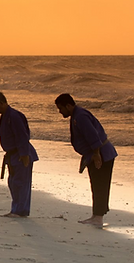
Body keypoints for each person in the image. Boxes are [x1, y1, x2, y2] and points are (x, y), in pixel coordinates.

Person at [54, 93, 118, 227]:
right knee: (96, 185)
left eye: (61, 108)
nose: (60, 111)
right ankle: (96, 215)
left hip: (102, 154)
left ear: (69, 106)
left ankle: (98, 218)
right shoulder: (76, 115)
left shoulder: (81, 116)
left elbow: (93, 135)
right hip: (96, 154)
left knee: (100, 185)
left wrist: (96, 154)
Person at [0, 92, 38, 218]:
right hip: (12, 155)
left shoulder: (15, 116)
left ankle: (20, 211)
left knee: (20, 183)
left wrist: (24, 155)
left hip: (21, 154)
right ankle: (16, 209)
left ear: (1, 103)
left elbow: (23, 136)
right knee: (13, 182)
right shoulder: (5, 116)